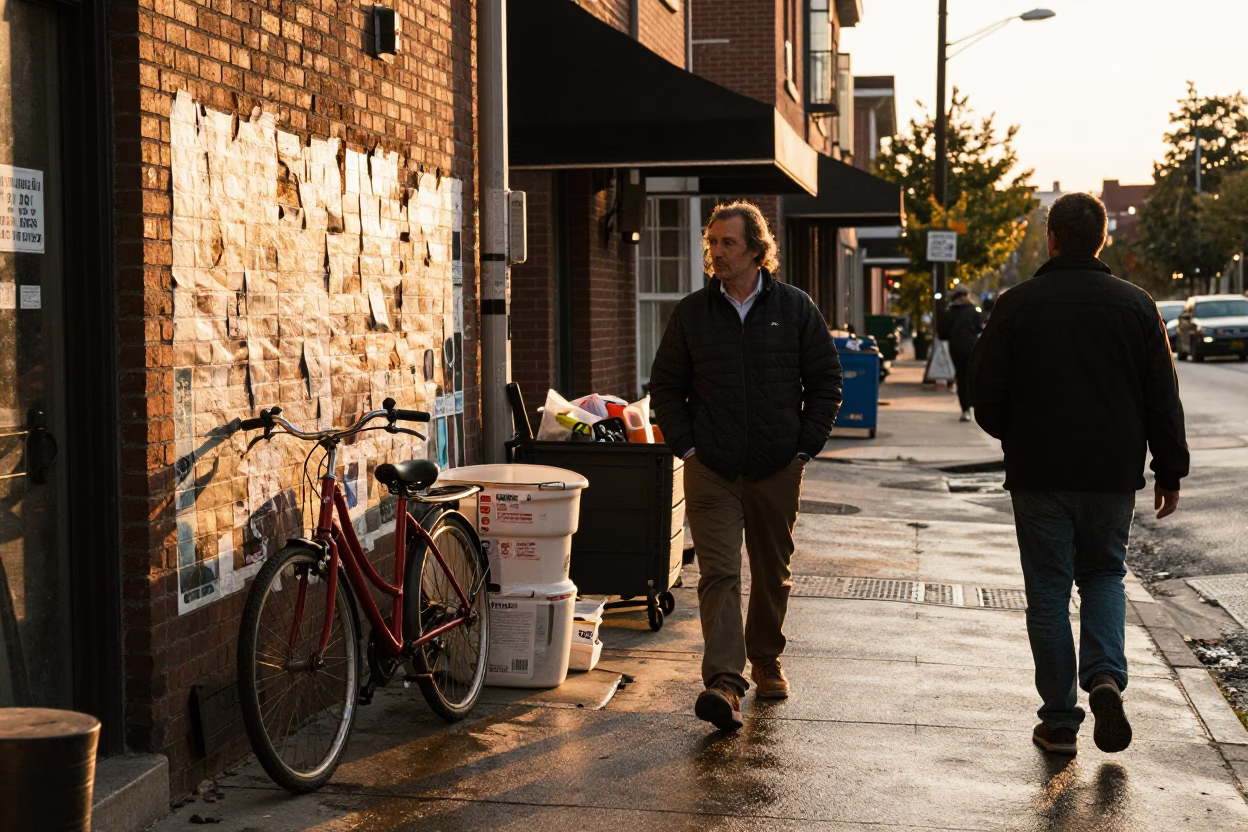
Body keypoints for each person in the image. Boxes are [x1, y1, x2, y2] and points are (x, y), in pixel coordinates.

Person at [969, 192, 1188, 756]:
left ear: (1051, 238)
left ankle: (1061, 721)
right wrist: (1169, 469)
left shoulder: (1017, 305)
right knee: (1103, 576)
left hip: (1039, 473)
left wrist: (1015, 435)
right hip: (1111, 475)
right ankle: (1106, 677)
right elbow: (1163, 396)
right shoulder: (1137, 305)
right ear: (1103, 239)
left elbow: (984, 393)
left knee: (1047, 593)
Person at [649, 201, 843, 731]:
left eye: (727, 243)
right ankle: (726, 684)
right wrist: (686, 446)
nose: (716, 252)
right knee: (719, 574)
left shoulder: (796, 308)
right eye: (711, 242)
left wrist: (804, 447)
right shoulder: (692, 312)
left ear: (757, 250)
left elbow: (826, 381)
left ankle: (766, 659)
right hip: (709, 465)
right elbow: (665, 385)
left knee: (772, 572)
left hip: (777, 466)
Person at [937, 287, 983, 421]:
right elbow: (979, 328)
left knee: (961, 377)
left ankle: (965, 409)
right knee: (974, 376)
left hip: (956, 349)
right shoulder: (974, 311)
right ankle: (974, 402)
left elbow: (942, 333)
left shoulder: (949, 312)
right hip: (972, 348)